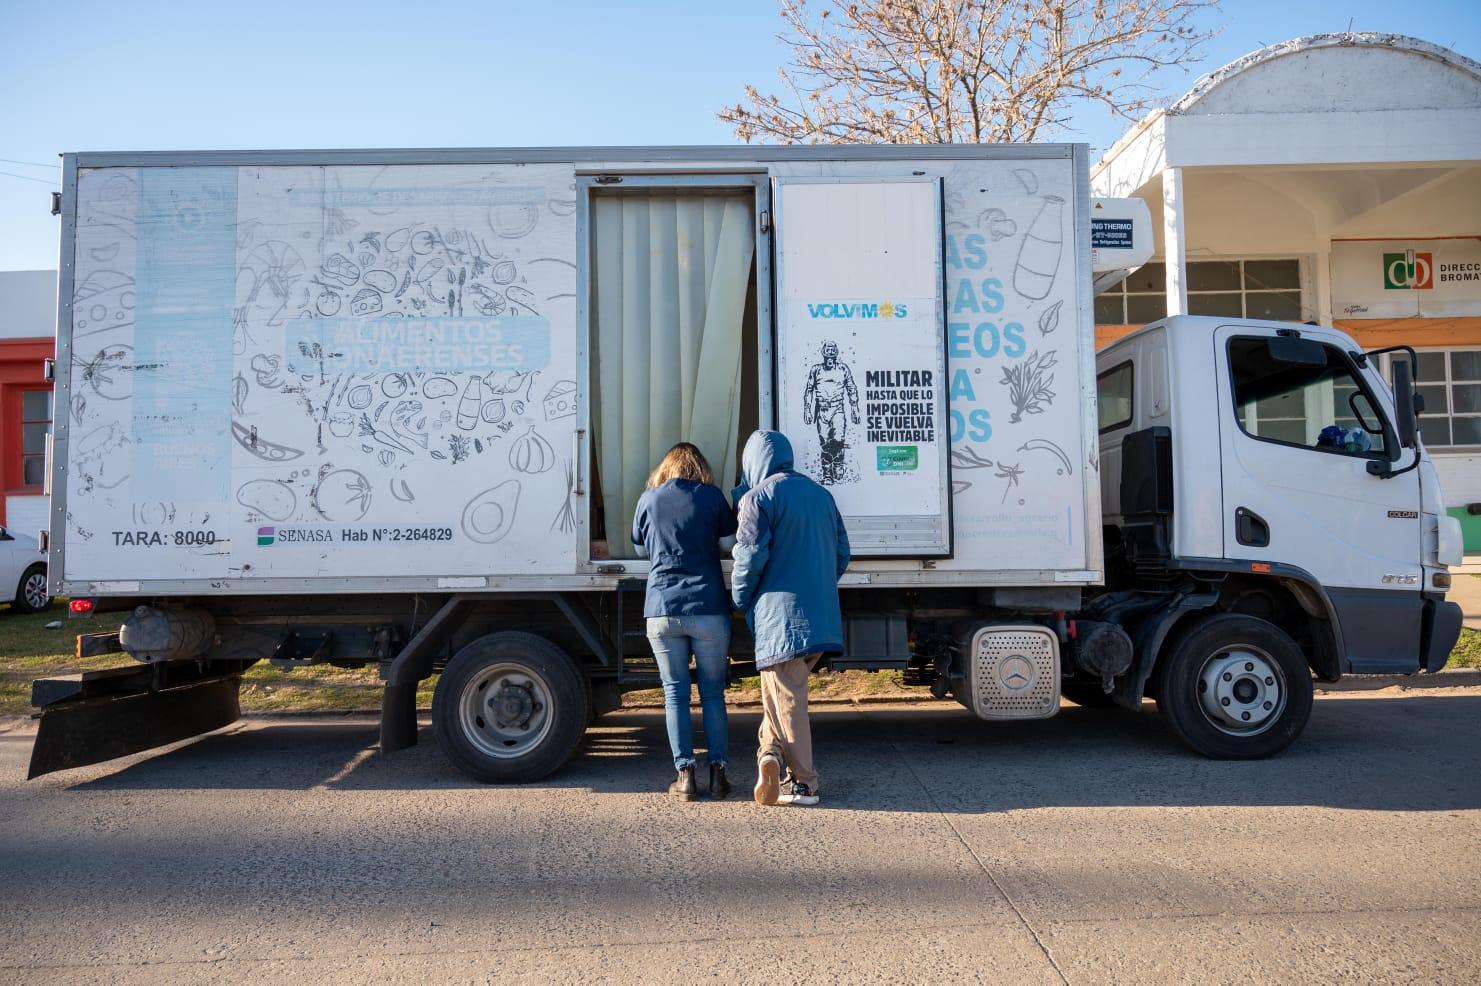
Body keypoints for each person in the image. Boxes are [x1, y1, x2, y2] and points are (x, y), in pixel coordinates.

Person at [730, 430, 851, 807]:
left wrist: (739, 598)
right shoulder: (821, 495)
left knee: (788, 699)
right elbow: (842, 553)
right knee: (779, 696)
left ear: (752, 461)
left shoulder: (757, 498)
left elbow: (748, 558)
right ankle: (769, 757)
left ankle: (805, 784)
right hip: (820, 616)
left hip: (780, 619)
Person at [632, 442, 739, 800]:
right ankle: (719, 775)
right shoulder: (711, 497)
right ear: (700, 467)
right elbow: (728, 543)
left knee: (675, 694)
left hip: (662, 607)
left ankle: (685, 776)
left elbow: (640, 549)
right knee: (712, 693)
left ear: (667, 467)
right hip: (707, 606)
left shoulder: (649, 499)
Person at [802, 341, 860, 485]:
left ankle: (838, 464)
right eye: (827, 353)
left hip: (837, 409)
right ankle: (827, 473)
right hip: (822, 410)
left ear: (835, 355)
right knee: (825, 442)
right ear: (823, 354)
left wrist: (855, 409)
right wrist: (807, 410)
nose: (829, 357)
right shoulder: (816, 370)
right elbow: (809, 390)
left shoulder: (843, 369)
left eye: (832, 354)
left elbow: (851, 388)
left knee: (839, 439)